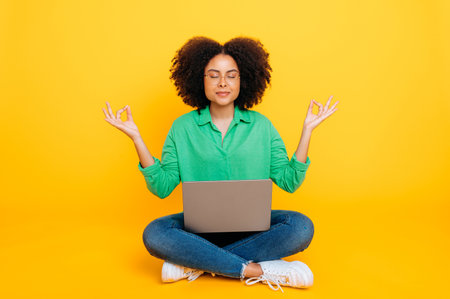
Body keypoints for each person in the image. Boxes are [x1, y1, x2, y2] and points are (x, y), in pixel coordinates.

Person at [102, 36, 338, 292]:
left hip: (253, 231)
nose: (223, 83)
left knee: (301, 227)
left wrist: (307, 132)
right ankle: (257, 269)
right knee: (154, 233)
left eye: (231, 75)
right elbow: (162, 187)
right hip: (199, 233)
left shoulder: (261, 126)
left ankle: (196, 262)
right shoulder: (182, 128)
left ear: (243, 79)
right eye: (213, 75)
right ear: (199, 80)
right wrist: (137, 137)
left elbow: (290, 181)